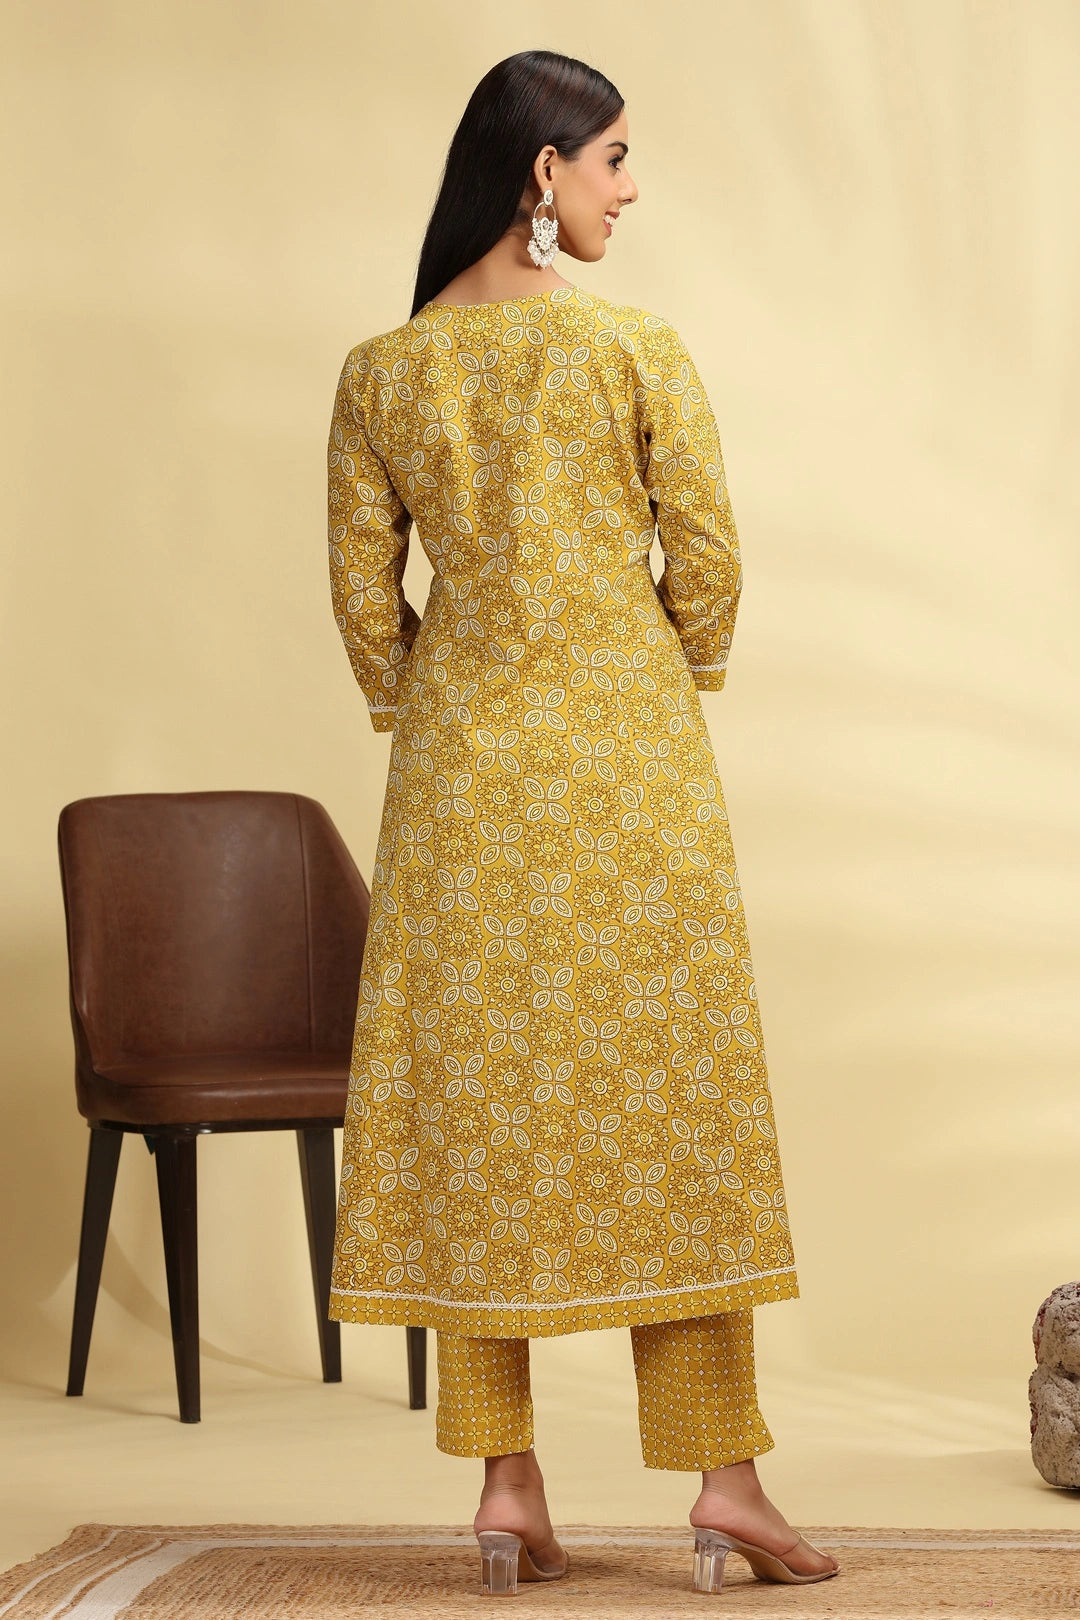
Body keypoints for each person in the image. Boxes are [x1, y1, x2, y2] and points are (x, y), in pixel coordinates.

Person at [325, 48, 840, 1598]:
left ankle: (506, 1489)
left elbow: (366, 604)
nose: (630, 187)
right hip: (630, 764)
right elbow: (709, 552)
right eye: (614, 158)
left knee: (482, 1120)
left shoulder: (384, 372)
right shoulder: (631, 349)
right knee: (673, 1109)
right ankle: (725, 1484)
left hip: (461, 785)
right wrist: (666, 664)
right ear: (541, 171)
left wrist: (435, 696)